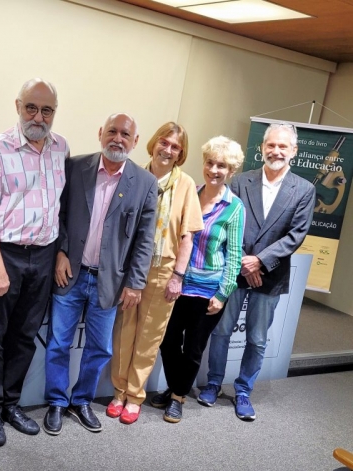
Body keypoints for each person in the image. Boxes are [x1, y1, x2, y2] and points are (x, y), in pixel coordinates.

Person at [43, 113, 157, 436]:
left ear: (135, 142)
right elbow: (59, 214)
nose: (117, 138)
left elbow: (144, 238)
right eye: (112, 131)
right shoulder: (75, 166)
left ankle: (81, 401)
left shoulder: (146, 183)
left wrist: (136, 282)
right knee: (59, 342)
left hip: (111, 280)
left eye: (125, 134)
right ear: (100, 134)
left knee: (99, 348)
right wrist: (61, 251)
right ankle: (55, 401)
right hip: (71, 273)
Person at [0, 78, 69, 447]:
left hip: (43, 255)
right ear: (18, 106)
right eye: (31, 107)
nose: (38, 116)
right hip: (5, 254)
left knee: (25, 337)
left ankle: (12, 403)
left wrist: (59, 251)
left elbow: (61, 206)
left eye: (47, 110)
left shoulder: (60, 147)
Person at [198, 123, 315, 421]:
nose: (276, 151)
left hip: (270, 276)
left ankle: (243, 391)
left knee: (258, 338)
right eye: (271, 145)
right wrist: (245, 262)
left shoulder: (304, 190)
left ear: (294, 152)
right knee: (222, 331)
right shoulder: (240, 182)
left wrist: (260, 261)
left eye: (283, 146)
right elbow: (229, 224)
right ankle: (213, 384)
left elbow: (295, 235)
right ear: (261, 148)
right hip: (235, 271)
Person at [108, 122, 204, 425]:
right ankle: (118, 392)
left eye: (176, 147)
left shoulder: (186, 184)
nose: (168, 150)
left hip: (164, 268)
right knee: (124, 332)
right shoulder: (134, 174)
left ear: (181, 153)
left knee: (149, 338)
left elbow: (188, 236)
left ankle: (135, 397)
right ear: (154, 143)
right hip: (130, 266)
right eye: (165, 142)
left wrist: (178, 276)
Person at [150, 136, 245, 423]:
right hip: (177, 284)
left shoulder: (235, 207)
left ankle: (177, 397)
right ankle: (177, 386)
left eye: (222, 166)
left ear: (231, 171)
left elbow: (235, 255)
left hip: (208, 291)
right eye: (210, 163)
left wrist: (223, 293)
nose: (214, 169)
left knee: (193, 348)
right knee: (166, 341)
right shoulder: (190, 192)